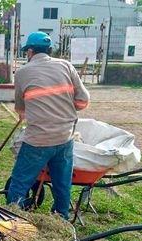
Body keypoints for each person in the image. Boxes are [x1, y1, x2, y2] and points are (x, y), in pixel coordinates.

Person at [7, 32, 90, 220]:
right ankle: (61, 220)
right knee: (62, 184)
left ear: (30, 51)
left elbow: (21, 110)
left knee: (19, 183)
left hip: (38, 140)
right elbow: (83, 101)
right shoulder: (66, 66)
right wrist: (66, 107)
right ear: (49, 50)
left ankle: (14, 221)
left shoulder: (22, 73)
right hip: (65, 137)